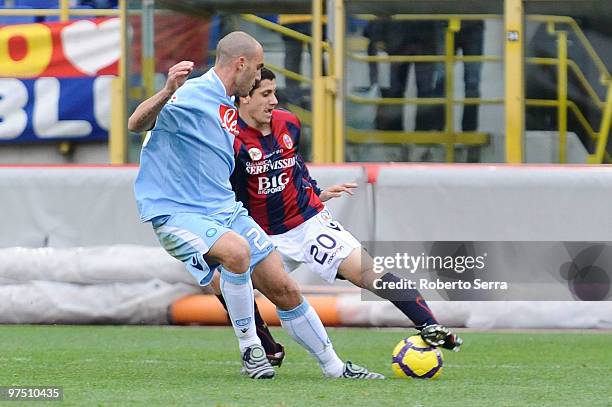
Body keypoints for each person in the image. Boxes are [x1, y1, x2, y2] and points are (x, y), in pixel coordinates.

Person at [132, 32, 384, 380]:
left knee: (284, 287)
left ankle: (335, 368)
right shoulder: (191, 94)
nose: (260, 75)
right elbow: (136, 124)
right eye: (259, 67)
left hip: (223, 209)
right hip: (177, 212)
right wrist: (166, 92)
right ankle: (252, 349)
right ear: (241, 63)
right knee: (236, 252)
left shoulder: (227, 104)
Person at [228, 68, 462, 354]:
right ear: (243, 98)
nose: (274, 100)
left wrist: (316, 192)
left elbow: (297, 166)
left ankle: (429, 325)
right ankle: (267, 348)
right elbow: (229, 192)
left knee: (366, 270)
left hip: (308, 222)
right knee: (226, 282)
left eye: (275, 92)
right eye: (266, 94)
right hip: (263, 234)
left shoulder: (288, 123)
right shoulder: (230, 138)